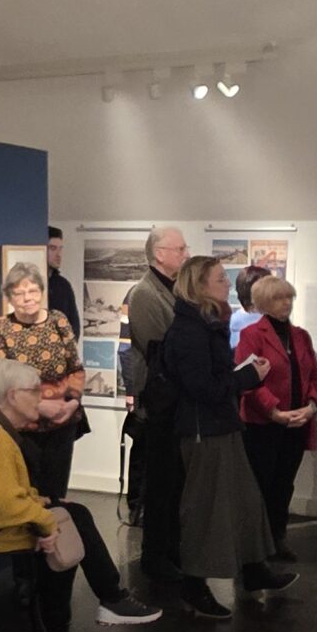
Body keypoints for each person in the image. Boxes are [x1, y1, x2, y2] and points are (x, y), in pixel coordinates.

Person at [0, 360, 158, 632]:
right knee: (63, 527)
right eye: (34, 391)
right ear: (13, 396)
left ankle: (107, 601)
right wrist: (45, 520)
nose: (41, 398)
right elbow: (2, 505)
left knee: (72, 514)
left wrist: (42, 503)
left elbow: (9, 491)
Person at [156, 257, 294, 619]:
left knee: (246, 499)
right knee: (206, 508)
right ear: (200, 286)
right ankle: (194, 584)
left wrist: (241, 374)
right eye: (220, 279)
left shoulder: (206, 324)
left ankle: (254, 568)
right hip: (204, 430)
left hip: (221, 425)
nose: (227, 284)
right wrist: (247, 377)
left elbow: (212, 380)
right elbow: (202, 388)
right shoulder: (189, 331)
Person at [235, 273, 317, 560]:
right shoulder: (252, 336)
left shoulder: (301, 336)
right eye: (278, 298)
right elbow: (248, 382)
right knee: (261, 485)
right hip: (263, 425)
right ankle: (256, 544)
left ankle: (277, 537)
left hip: (296, 423)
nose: (286, 303)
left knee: (284, 484)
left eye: (289, 297)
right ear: (263, 302)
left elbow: (315, 376)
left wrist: (311, 406)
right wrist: (274, 411)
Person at [0, 262, 86, 502]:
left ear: (41, 291)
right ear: (9, 297)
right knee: (27, 495)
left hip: (62, 424)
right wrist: (40, 406)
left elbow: (76, 368)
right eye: (19, 293)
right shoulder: (1, 329)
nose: (27, 298)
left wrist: (71, 403)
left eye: (32, 291)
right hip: (23, 429)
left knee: (56, 495)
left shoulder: (58, 321)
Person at [122, 226, 188, 581]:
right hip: (160, 402)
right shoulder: (146, 294)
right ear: (159, 253)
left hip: (174, 402)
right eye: (180, 249)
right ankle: (156, 556)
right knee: (161, 484)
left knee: (174, 483)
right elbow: (161, 345)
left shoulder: (171, 289)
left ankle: (171, 551)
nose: (185, 254)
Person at [42, 226, 79, 337]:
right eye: (53, 248)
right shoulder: (29, 284)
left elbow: (74, 326)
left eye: (60, 249)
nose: (58, 254)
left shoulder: (63, 286)